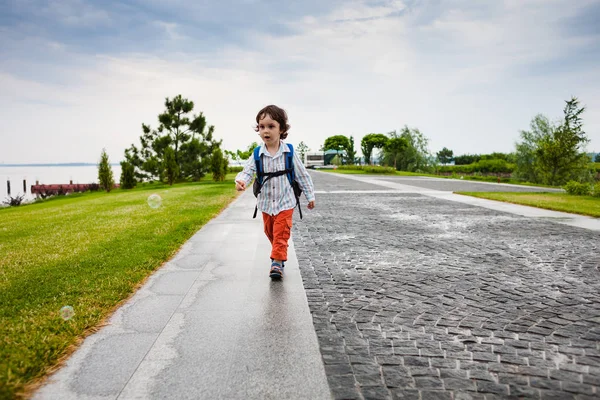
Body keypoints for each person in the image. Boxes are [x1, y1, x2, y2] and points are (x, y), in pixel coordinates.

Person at [235, 105, 315, 279]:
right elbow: (247, 171)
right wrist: (241, 181)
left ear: (282, 129)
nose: (266, 131)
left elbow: (302, 175)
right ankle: (279, 253)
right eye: (262, 127)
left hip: (285, 202)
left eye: (271, 126)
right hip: (265, 203)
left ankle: (276, 263)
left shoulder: (289, 153)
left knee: (281, 232)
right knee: (270, 232)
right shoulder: (257, 153)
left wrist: (310, 196)